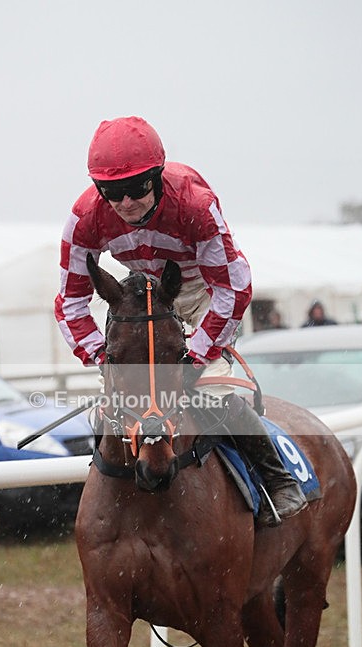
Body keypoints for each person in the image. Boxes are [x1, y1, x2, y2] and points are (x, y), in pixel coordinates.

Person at [54, 116, 306, 526]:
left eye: (137, 188)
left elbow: (233, 288)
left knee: (214, 393)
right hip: (141, 298)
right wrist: (102, 357)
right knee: (119, 401)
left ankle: (277, 481)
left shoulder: (195, 205)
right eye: (111, 192)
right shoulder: (84, 218)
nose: (125, 202)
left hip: (202, 292)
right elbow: (71, 302)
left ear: (156, 176)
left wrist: (197, 355)